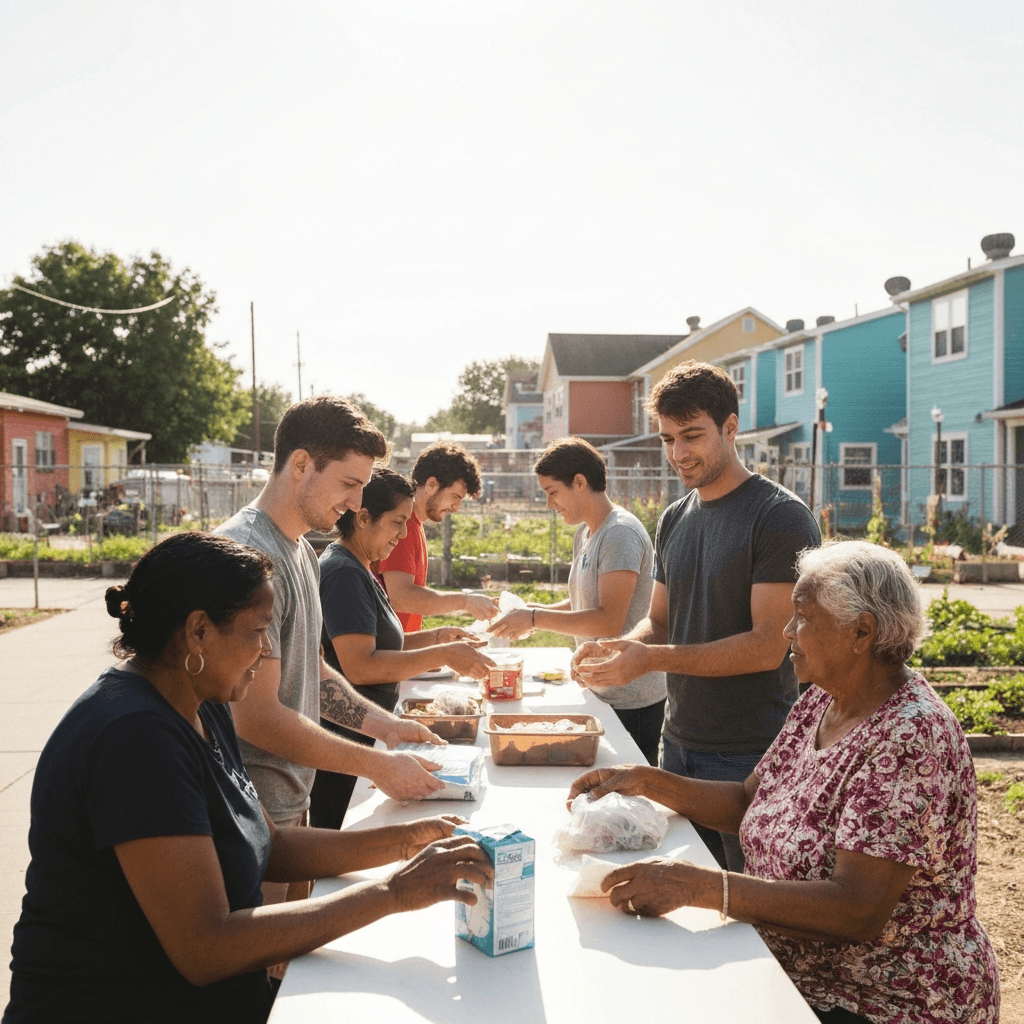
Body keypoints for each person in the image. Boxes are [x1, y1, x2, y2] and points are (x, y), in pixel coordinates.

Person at [3, 532, 491, 1024]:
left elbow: (270, 846)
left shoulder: (204, 703)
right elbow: (204, 947)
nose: (266, 652)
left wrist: (408, 842)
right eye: (259, 632)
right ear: (199, 632)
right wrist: (393, 893)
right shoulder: (135, 737)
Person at [568, 542, 999, 1024]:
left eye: (802, 618)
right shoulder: (824, 700)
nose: (787, 631)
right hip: (799, 971)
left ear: (862, 631)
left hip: (883, 998)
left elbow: (857, 909)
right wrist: (647, 781)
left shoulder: (912, 737)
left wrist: (702, 888)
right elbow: (749, 800)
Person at [574, 360, 820, 871]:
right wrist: (623, 647)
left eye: (692, 436)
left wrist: (650, 659)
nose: (678, 454)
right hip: (678, 741)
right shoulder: (675, 516)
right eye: (667, 439)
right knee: (684, 889)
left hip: (749, 753)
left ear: (731, 428)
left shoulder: (779, 516)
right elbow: (659, 622)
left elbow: (766, 645)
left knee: (744, 908)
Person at [215, 396, 447, 902]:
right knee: (269, 977)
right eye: (348, 484)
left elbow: (311, 671)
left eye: (362, 487)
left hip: (290, 811)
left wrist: (387, 728)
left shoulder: (300, 550)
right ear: (300, 464)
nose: (356, 503)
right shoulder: (247, 556)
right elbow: (256, 717)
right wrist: (377, 766)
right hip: (248, 822)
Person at [311, 468, 496, 828]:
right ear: (363, 518)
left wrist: (439, 636)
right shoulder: (343, 574)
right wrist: (442, 655)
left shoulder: (361, 567)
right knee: (335, 843)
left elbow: (381, 642)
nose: (403, 533)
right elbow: (360, 666)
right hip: (348, 743)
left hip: (370, 735)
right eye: (398, 522)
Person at [487, 437, 666, 764]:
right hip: (601, 688)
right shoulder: (586, 533)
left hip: (631, 699)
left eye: (552, 492)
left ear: (580, 483)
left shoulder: (619, 533)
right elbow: (581, 602)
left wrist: (534, 617)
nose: (548, 504)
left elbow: (608, 620)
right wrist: (526, 617)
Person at [379, 441, 499, 630]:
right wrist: (465, 602)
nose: (456, 508)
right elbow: (401, 598)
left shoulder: (415, 524)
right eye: (455, 497)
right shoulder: (403, 525)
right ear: (432, 484)